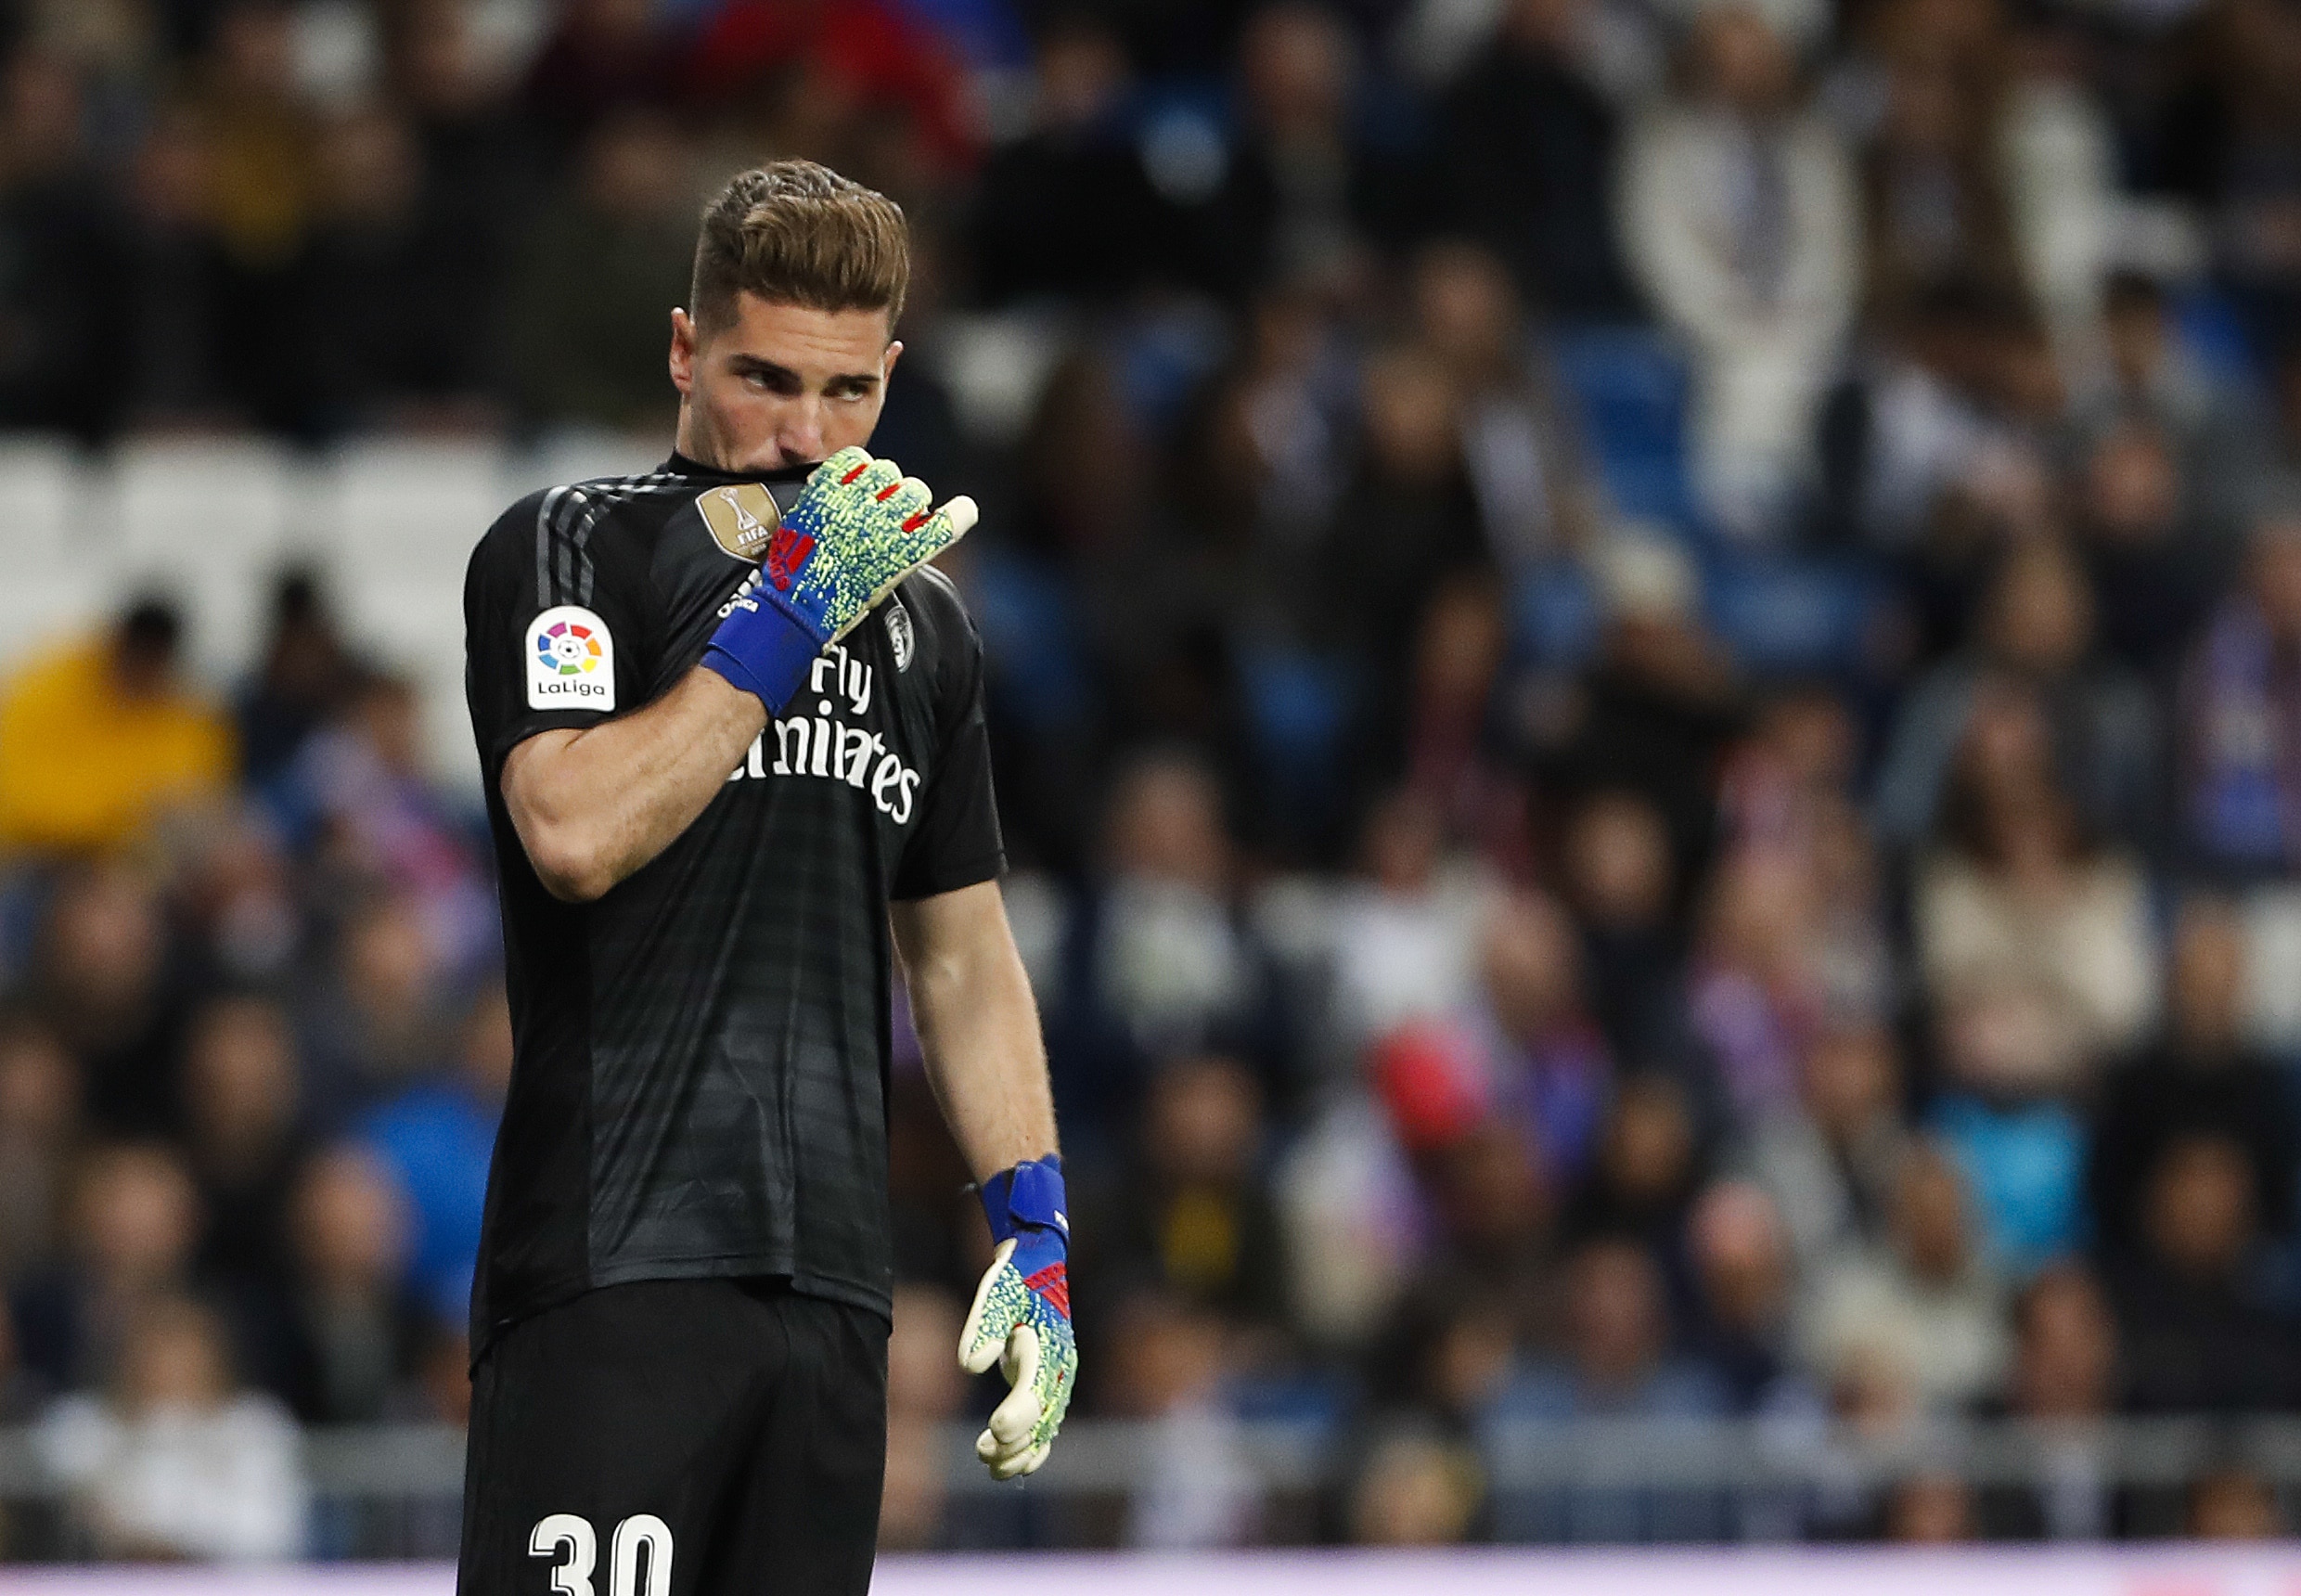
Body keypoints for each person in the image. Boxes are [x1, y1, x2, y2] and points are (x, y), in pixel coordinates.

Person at [456, 161, 1071, 1596]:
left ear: (894, 379)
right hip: (617, 1268)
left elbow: (966, 958)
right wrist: (782, 614)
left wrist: (1033, 1228)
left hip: (836, 1299)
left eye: (848, 395)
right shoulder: (574, 544)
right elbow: (572, 832)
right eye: (765, 380)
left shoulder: (926, 627)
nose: (806, 437)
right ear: (684, 350)